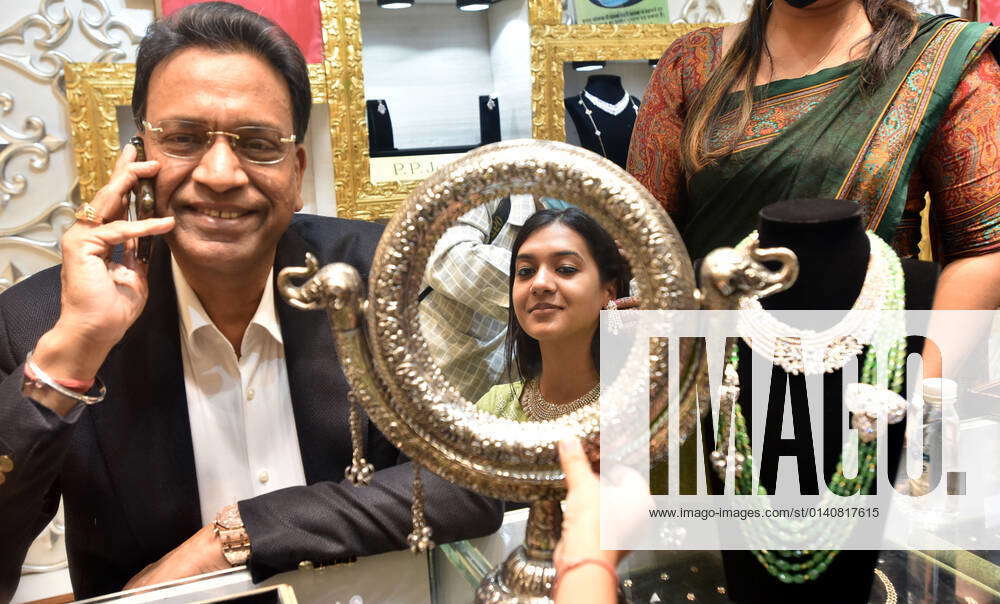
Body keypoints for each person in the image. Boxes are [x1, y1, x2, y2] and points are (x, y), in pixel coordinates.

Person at [0, 3, 501, 600]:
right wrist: (72, 356)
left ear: (296, 168)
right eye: (183, 139)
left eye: (258, 143)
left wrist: (235, 535)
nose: (218, 173)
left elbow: (472, 482)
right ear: (136, 160)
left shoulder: (375, 273)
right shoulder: (43, 320)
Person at [627, 1, 1000, 315]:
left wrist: (921, 381)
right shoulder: (690, 65)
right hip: (717, 364)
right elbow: (641, 242)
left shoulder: (936, 57)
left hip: (873, 363)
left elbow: (986, 249)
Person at [475, 208, 630, 421]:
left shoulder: (642, 402)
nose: (539, 284)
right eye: (525, 271)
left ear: (608, 292)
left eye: (566, 269)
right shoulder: (491, 409)